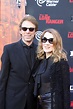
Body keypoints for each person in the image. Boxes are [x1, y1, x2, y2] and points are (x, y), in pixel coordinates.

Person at [0, 15, 38, 109]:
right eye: (24, 29)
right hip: (13, 101)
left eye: (31, 29)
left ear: (35, 31)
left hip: (32, 102)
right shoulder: (9, 49)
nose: (27, 32)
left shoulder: (40, 50)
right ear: (20, 31)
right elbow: (3, 79)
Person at [33, 28, 70, 109]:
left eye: (50, 41)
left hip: (53, 104)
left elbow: (65, 91)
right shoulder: (40, 61)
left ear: (56, 43)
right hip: (39, 103)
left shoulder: (60, 63)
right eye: (44, 40)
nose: (47, 43)